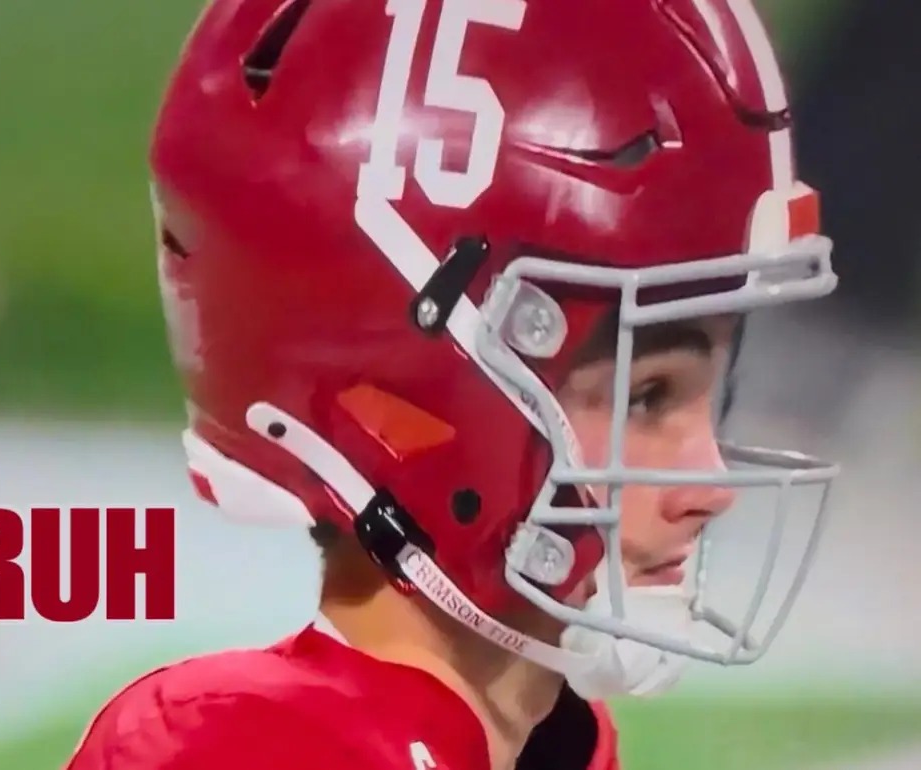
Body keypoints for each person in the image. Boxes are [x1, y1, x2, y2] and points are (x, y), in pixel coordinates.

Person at [66, 0, 840, 768]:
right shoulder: (246, 750)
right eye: (646, 397)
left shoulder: (557, 746)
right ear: (423, 392)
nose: (712, 485)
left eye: (714, 394)